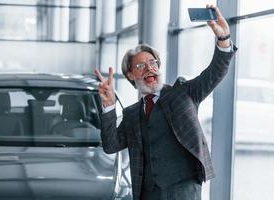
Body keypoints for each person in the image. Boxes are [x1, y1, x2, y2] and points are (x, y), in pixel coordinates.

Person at [95, 5, 237, 200]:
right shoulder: (131, 114)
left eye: (153, 63)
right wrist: (109, 105)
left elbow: (216, 71)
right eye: (140, 65)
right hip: (147, 193)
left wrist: (223, 38)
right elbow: (111, 145)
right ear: (130, 75)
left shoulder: (183, 92)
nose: (149, 69)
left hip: (184, 190)